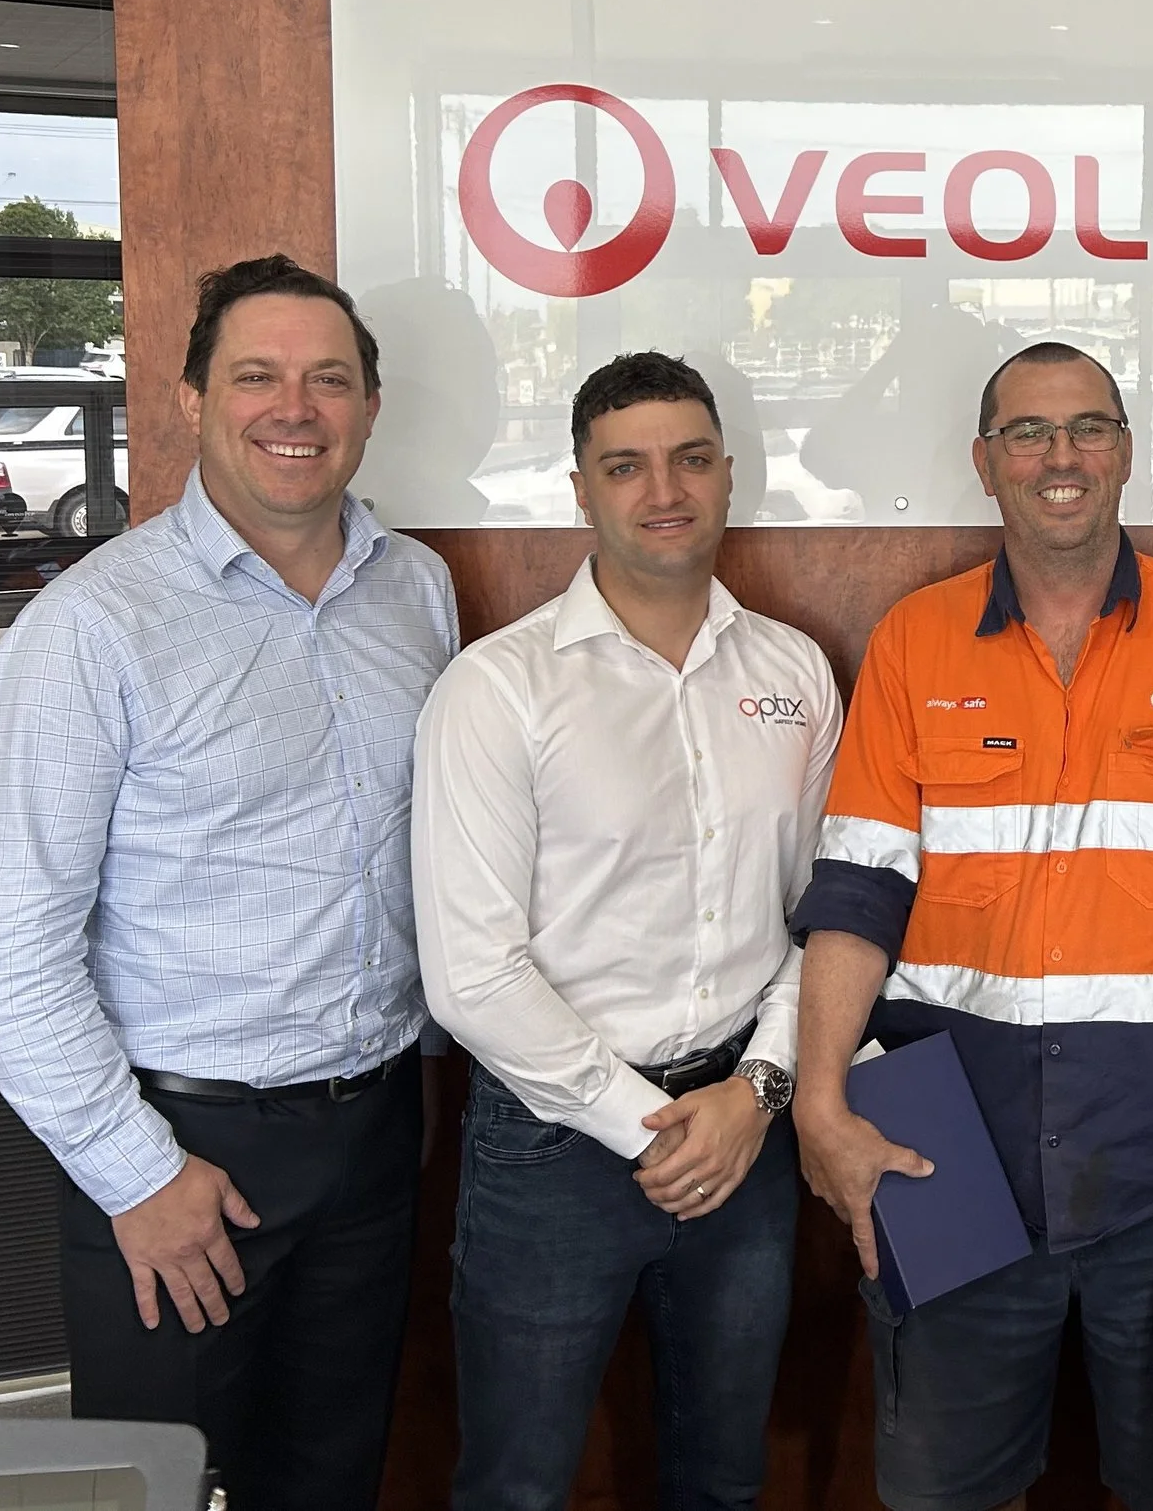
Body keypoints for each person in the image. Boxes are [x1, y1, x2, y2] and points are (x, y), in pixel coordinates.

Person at [792, 339, 1153, 1511]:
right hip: (944, 1154)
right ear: (984, 462)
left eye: (1087, 427)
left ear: (1126, 452)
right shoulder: (913, 642)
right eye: (1027, 433)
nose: (1059, 456)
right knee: (944, 1492)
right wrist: (822, 1098)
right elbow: (854, 893)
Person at [0, 255, 457, 1511]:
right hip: (181, 1148)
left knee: (334, 1477)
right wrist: (138, 1172)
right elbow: (12, 957)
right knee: (161, 1489)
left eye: (327, 379)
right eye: (256, 376)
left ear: (369, 406)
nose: (294, 408)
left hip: (375, 1130)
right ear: (191, 397)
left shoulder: (416, 589)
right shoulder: (90, 628)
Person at [412, 352, 841, 1510]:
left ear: (728, 475)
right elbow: (468, 974)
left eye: (691, 458)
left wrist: (755, 1092)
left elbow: (823, 915)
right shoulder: (498, 689)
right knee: (517, 1483)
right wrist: (641, 1124)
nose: (665, 488)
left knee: (722, 1477)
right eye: (627, 464)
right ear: (580, 489)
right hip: (555, 1145)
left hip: (743, 1133)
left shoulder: (793, 671)